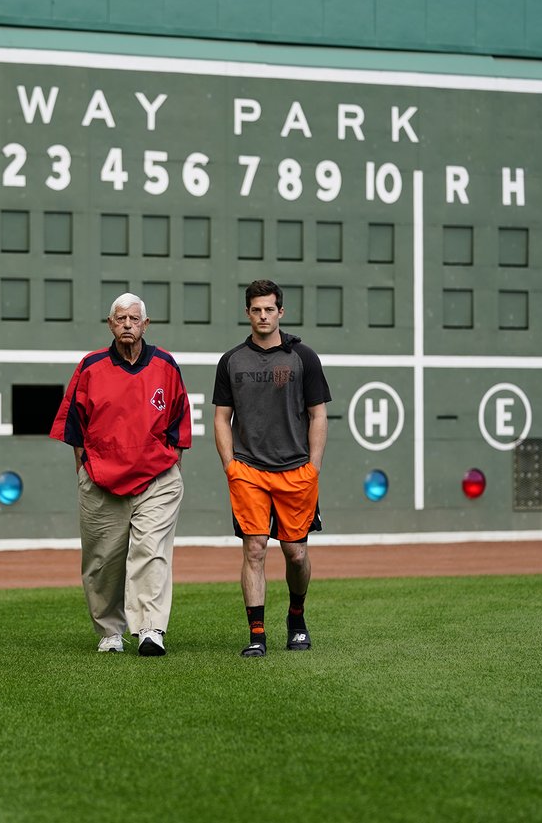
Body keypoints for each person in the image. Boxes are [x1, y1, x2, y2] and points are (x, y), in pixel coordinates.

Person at [50, 292, 192, 656]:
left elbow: (178, 427)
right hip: (101, 481)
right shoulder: (91, 366)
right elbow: (75, 432)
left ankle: (150, 629)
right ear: (110, 324)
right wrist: (87, 473)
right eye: (120, 319)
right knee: (103, 562)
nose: (127, 324)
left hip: (156, 480)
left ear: (146, 324)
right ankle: (110, 631)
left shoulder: (165, 365)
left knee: (151, 551)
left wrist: (165, 470)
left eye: (134, 319)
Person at [213, 279, 331, 657]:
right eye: (256, 309)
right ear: (247, 313)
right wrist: (231, 465)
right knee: (255, 549)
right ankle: (256, 634)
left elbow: (318, 415)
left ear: (281, 312)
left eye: (269, 309)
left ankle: (296, 618)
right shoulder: (231, 361)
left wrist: (313, 467)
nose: (263, 316)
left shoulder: (304, 358)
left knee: (295, 554)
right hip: (248, 470)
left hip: (296, 470)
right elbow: (221, 418)